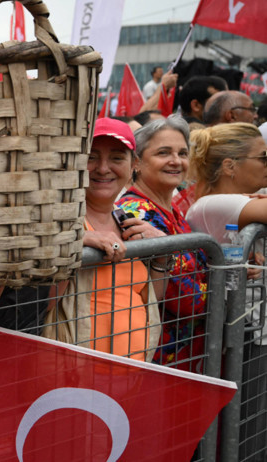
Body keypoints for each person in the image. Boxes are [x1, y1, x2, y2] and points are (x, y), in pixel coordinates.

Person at [185, 122, 267, 461]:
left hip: (248, 333)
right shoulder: (215, 203)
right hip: (242, 339)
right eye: (263, 157)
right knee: (248, 440)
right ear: (230, 165)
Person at [116, 115, 207, 371]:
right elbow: (188, 300)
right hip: (154, 358)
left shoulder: (170, 210)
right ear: (137, 163)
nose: (176, 161)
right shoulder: (138, 213)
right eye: (163, 153)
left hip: (183, 356)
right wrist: (224, 291)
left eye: (182, 153)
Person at [77, 118, 169, 360]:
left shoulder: (128, 221)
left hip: (132, 376)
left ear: (134, 165)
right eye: (91, 157)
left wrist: (161, 251)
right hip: (75, 380)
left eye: (117, 158)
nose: (103, 168)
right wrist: (73, 240)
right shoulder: (63, 223)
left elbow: (150, 299)